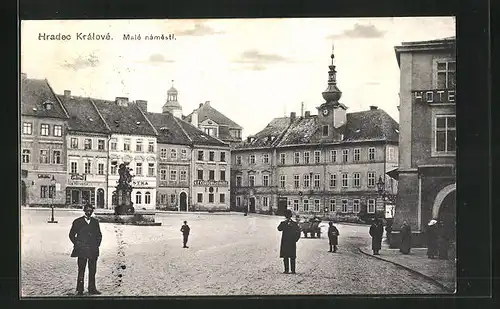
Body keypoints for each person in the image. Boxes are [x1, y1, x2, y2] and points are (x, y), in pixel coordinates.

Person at [69, 203, 102, 295]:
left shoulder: (95, 222)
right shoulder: (77, 222)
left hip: (93, 250)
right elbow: (71, 235)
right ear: (84, 211)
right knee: (81, 269)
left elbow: (99, 235)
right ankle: (80, 289)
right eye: (87, 210)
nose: (89, 212)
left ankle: (92, 288)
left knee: (92, 270)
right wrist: (77, 244)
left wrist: (97, 245)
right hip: (82, 250)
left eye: (90, 211)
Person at [277, 209, 301, 274]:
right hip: (288, 242)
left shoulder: (292, 223)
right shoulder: (286, 223)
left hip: (289, 242)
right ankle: (289, 270)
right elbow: (279, 229)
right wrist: (295, 239)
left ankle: (290, 270)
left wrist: (295, 240)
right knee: (288, 256)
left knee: (289, 257)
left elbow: (298, 232)